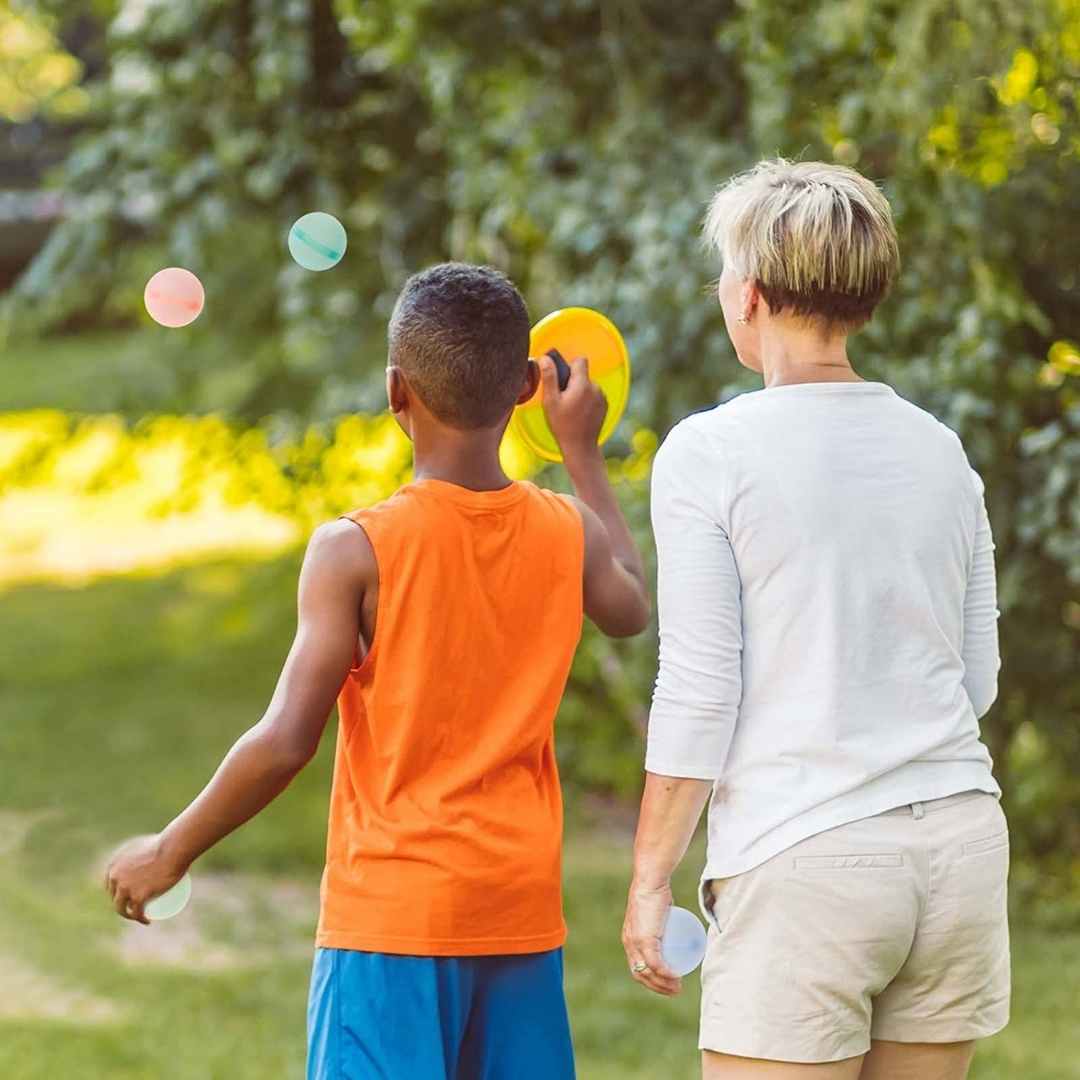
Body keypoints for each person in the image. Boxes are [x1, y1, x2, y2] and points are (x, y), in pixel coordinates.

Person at [104, 262, 650, 1079]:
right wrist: (582, 452)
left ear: (397, 391)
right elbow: (631, 607)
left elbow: (289, 739)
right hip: (516, 915)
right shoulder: (566, 531)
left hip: (391, 923)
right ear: (526, 386)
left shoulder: (356, 549)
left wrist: (170, 849)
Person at [621, 158, 1009, 1080]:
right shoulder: (939, 450)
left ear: (748, 296)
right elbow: (976, 677)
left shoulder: (710, 453)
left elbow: (700, 689)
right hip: (958, 850)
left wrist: (647, 881)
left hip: (810, 862)